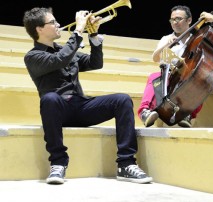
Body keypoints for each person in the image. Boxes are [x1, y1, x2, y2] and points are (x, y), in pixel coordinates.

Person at [23, 7, 153, 184]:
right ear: (39, 29)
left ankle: (126, 163)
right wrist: (78, 30)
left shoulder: (66, 51)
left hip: (81, 107)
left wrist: (93, 35)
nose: (58, 24)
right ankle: (58, 163)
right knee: (49, 98)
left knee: (122, 99)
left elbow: (95, 63)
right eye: (53, 22)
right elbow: (60, 59)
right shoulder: (33, 56)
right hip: (58, 111)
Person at [138, 5, 213, 128]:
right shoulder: (167, 38)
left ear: (189, 20)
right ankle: (145, 112)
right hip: (171, 78)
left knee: (202, 79)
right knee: (154, 77)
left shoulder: (199, 36)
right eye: (172, 20)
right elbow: (155, 58)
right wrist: (166, 45)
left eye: (178, 19)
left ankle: (188, 114)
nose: (175, 22)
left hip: (189, 76)